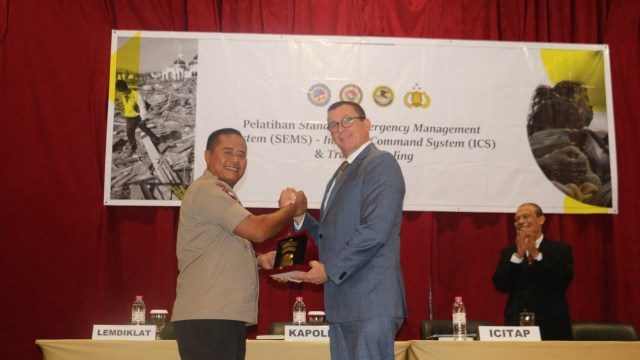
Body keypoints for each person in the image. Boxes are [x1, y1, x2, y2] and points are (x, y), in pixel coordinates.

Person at [282, 101, 407, 360]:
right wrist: (300, 215)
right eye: (333, 125)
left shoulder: (380, 163)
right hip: (343, 304)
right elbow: (330, 235)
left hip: (370, 303)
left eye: (347, 120)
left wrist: (329, 271)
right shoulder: (341, 173)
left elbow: (375, 230)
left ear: (367, 123)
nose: (340, 129)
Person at [172, 128, 307, 360]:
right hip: (209, 318)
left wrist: (259, 261)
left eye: (242, 154)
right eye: (228, 152)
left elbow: (219, 251)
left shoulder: (224, 194)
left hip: (220, 317)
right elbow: (258, 230)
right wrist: (291, 209)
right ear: (207, 156)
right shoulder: (208, 190)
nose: (235, 159)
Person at [492, 202, 574, 340]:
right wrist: (518, 257)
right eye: (517, 219)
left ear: (541, 220)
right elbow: (500, 285)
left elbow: (560, 282)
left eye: (525, 216)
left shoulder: (560, 250)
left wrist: (536, 254)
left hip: (551, 327)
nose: (520, 221)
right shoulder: (508, 253)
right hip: (516, 326)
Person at [114, 79, 161, 156]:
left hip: (138, 117)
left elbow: (142, 107)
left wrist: (142, 119)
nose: (122, 94)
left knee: (145, 129)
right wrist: (125, 113)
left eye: (123, 92)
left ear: (126, 89)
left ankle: (156, 140)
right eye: (120, 92)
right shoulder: (122, 94)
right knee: (129, 133)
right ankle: (134, 147)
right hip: (129, 117)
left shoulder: (136, 94)